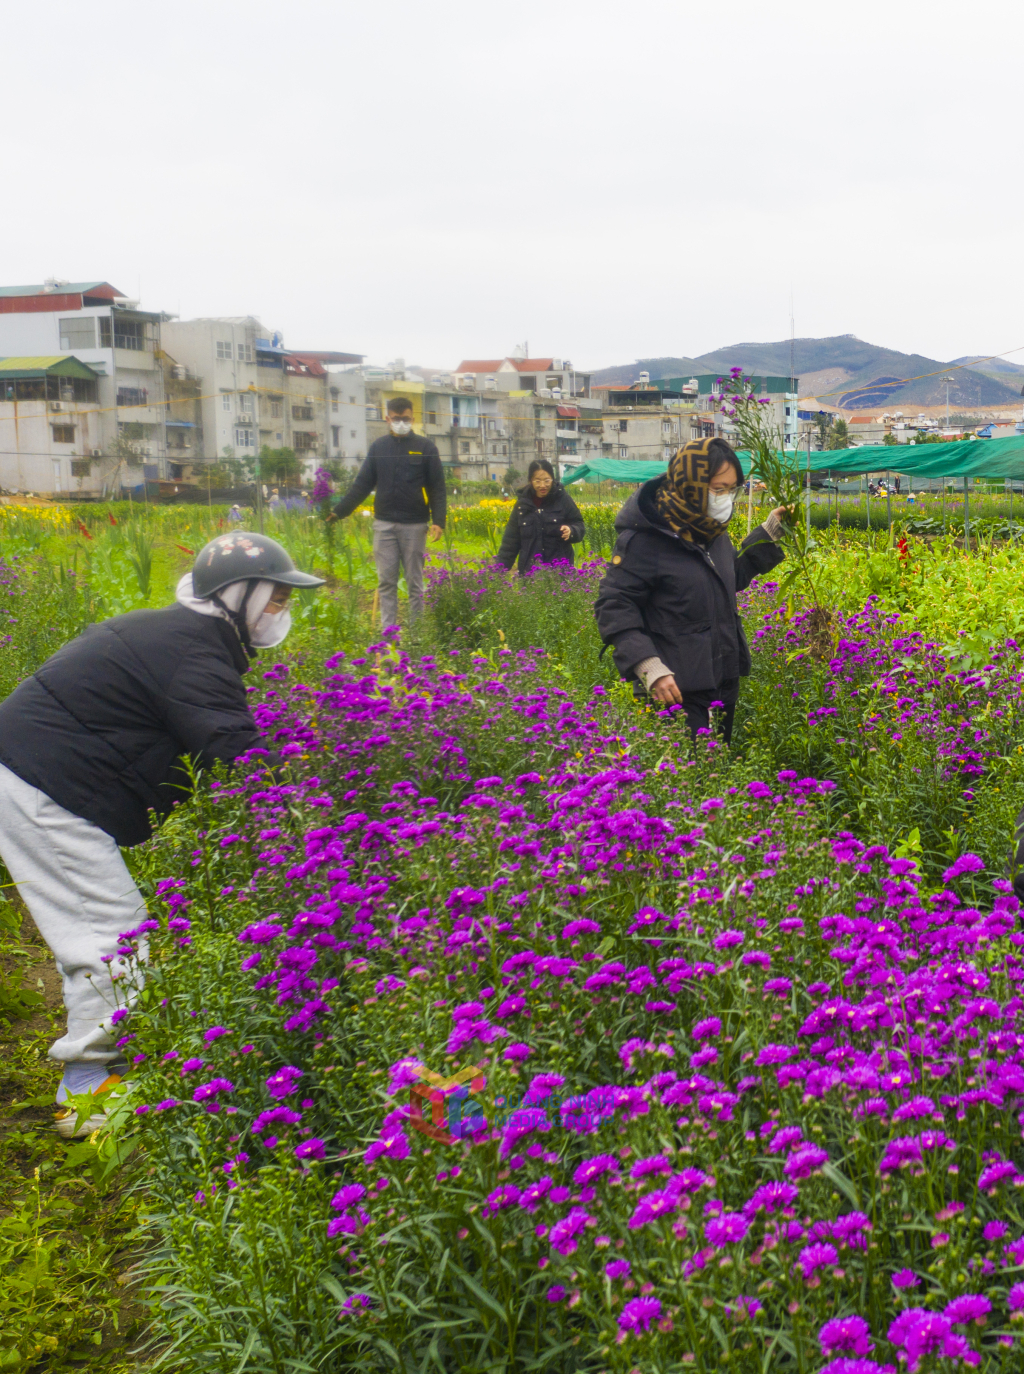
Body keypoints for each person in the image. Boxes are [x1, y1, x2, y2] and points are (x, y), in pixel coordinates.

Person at [0, 532, 324, 1138]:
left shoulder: (183, 636)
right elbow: (234, 748)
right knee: (112, 936)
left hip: (37, 776)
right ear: (239, 597)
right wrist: (314, 809)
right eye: (277, 598)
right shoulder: (194, 654)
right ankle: (89, 1093)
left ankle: (102, 1076)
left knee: (110, 929)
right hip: (45, 789)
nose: (282, 611)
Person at [594, 436, 788, 744]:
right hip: (674, 690)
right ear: (691, 484)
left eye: (731, 489)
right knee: (687, 783)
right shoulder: (646, 540)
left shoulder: (710, 530)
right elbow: (614, 606)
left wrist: (767, 534)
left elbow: (726, 580)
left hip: (722, 679)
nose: (726, 498)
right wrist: (648, 666)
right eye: (718, 489)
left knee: (715, 775)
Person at [330, 396, 446, 627]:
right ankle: (388, 637)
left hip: (414, 525)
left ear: (412, 418)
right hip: (384, 526)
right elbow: (362, 484)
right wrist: (339, 511)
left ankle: (416, 637)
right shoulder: (379, 447)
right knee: (386, 583)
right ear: (387, 419)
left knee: (415, 583)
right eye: (396, 419)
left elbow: (437, 488)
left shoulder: (425, 448)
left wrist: (438, 521)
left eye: (406, 419)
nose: (401, 422)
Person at [496, 459, 586, 575]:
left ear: (553, 479)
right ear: (530, 481)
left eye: (547, 480)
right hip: (530, 572)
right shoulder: (522, 505)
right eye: (537, 481)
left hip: (559, 571)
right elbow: (510, 542)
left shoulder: (562, 499)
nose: (542, 485)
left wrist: (571, 531)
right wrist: (498, 572)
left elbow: (579, 525)